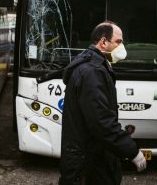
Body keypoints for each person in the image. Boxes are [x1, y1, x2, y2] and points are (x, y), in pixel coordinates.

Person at [59, 21, 146, 185]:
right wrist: (132, 151)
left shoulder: (94, 66)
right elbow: (101, 122)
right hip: (89, 165)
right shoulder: (92, 72)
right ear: (104, 42)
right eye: (118, 42)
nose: (122, 47)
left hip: (90, 160)